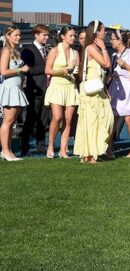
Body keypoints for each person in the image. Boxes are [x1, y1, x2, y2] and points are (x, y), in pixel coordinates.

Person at [73, 20, 114, 164]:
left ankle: (97, 149)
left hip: (99, 88)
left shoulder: (94, 47)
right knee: (90, 122)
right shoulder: (91, 48)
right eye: (104, 30)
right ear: (97, 32)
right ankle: (88, 154)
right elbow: (107, 64)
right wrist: (103, 48)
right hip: (90, 90)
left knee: (108, 118)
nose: (106, 33)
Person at [44, 26, 79, 158]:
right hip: (57, 86)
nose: (73, 38)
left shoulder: (75, 53)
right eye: (70, 35)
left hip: (70, 86)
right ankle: (51, 145)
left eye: (74, 36)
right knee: (57, 117)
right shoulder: (54, 51)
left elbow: (76, 71)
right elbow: (47, 70)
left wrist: (76, 69)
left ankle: (63, 149)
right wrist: (61, 71)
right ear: (63, 36)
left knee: (68, 120)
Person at [109, 29, 130, 158]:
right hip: (116, 88)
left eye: (113, 39)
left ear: (119, 41)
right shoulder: (113, 56)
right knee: (113, 119)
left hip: (128, 88)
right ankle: (109, 147)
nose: (111, 41)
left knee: (129, 119)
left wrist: (125, 66)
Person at [20, 24, 51, 156]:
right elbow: (28, 69)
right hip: (34, 90)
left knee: (43, 120)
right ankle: (24, 147)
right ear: (36, 35)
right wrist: (46, 69)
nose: (47, 37)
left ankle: (41, 145)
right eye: (44, 35)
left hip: (46, 89)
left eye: (47, 35)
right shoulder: (28, 50)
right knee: (31, 119)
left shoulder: (46, 50)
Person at [0, 26, 30, 161]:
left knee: (11, 122)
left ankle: (9, 151)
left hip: (17, 89)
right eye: (16, 35)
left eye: (19, 35)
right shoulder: (6, 51)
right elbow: (3, 71)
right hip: (10, 89)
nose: (18, 37)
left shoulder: (16, 52)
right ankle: (5, 151)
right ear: (8, 36)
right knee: (7, 121)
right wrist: (20, 70)